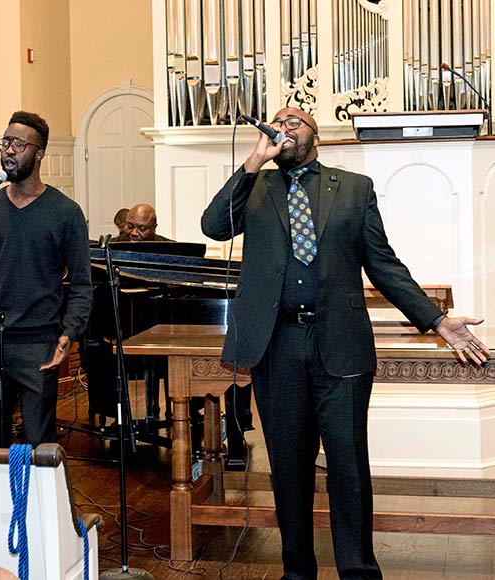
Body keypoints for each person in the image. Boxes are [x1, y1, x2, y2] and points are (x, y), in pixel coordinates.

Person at [200, 106, 490, 580]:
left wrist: (435, 320)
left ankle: (357, 570)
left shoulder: (354, 188)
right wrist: (254, 160)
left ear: (316, 135)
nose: (283, 128)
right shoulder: (256, 187)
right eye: (276, 122)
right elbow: (213, 226)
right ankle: (298, 572)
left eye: (294, 122)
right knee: (289, 466)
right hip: (276, 344)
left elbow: (383, 263)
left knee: (348, 466)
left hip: (341, 343)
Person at [0, 111, 93, 447]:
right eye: (5, 143)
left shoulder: (65, 213)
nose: (9, 151)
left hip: (38, 342)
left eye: (19, 145)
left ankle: (35, 501)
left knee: (38, 441)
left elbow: (82, 286)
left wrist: (69, 332)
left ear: (40, 153)